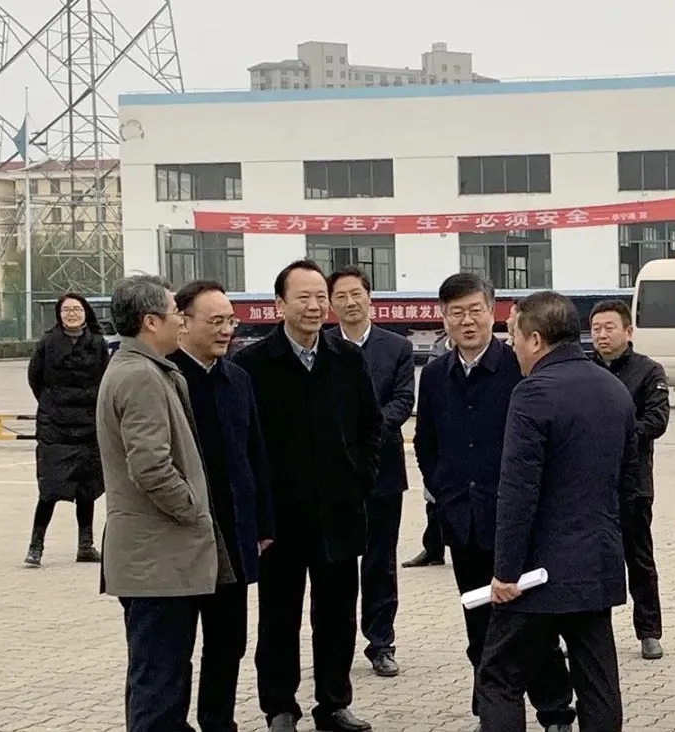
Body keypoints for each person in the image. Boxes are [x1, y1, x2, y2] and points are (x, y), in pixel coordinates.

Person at [414, 273, 574, 732]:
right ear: (443, 318)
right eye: (456, 313)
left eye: (475, 310)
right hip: (463, 521)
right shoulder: (436, 376)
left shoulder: (518, 366)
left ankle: (555, 711)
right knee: (479, 624)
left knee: (531, 622)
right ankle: (493, 709)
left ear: (494, 311)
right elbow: (426, 443)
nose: (467, 321)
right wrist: (445, 493)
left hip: (517, 521)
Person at [477, 291, 640, 732]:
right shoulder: (614, 389)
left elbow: (518, 491)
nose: (510, 345)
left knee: (499, 676)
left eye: (513, 335)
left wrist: (505, 572)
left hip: (537, 571)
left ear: (535, 339)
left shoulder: (533, 392)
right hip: (597, 563)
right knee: (597, 681)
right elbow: (629, 484)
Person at [233, 259, 382, 732]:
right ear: (279, 304)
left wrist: (360, 477)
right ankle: (279, 707)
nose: (316, 306)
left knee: (337, 615)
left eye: (322, 297)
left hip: (339, 511)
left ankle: (333, 703)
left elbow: (371, 427)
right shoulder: (253, 364)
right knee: (279, 616)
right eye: (304, 297)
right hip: (280, 517)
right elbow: (244, 442)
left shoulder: (347, 358)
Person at [97, 274, 234, 732]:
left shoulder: (144, 369)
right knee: (158, 685)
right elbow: (151, 467)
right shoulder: (140, 376)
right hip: (156, 562)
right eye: (176, 313)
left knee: (163, 677)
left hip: (158, 561)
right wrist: (194, 509)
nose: (182, 321)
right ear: (150, 321)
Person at [169, 280, 275, 732]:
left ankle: (219, 722)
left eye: (230, 321)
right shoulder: (167, 379)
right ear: (183, 322)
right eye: (215, 321)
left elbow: (256, 454)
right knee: (175, 647)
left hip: (234, 535)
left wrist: (263, 523)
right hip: (182, 537)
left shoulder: (237, 379)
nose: (227, 330)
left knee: (228, 641)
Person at [325, 266, 416, 678]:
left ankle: (381, 643)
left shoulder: (397, 347)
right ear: (331, 304)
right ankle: (335, 646)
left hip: (383, 469)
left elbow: (403, 400)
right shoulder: (322, 346)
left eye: (356, 294)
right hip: (334, 473)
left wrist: (367, 431)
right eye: (341, 296)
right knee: (336, 563)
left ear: (369, 297)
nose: (350, 302)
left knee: (381, 561)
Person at [589, 298, 670, 661]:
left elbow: (656, 421)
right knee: (590, 561)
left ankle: (649, 631)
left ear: (628, 331)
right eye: (596, 329)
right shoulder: (585, 371)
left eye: (609, 328)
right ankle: (589, 632)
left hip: (633, 484)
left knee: (639, 560)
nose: (602, 335)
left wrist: (611, 433)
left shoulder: (648, 372)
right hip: (590, 486)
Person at [24, 292, 109, 567]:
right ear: (59, 314)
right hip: (55, 428)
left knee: (87, 488)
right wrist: (51, 403)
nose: (72, 314)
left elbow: (105, 379)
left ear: (85, 313)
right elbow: (35, 377)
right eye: (67, 310)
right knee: (49, 488)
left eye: (77, 309)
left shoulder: (97, 343)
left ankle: (86, 545)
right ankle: (36, 546)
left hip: (88, 426)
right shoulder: (47, 343)